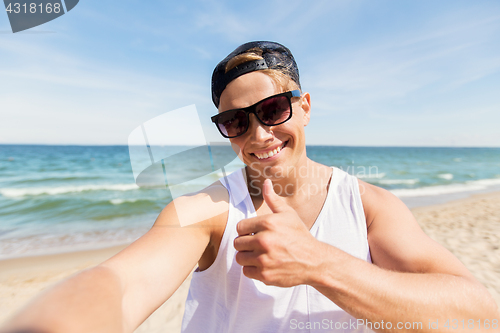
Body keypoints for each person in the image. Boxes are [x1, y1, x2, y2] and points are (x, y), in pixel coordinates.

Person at [2, 41, 498, 333]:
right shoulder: (207, 210)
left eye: (273, 110)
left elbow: (478, 315)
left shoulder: (368, 207)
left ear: (303, 105)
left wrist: (319, 263)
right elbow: (122, 283)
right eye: (236, 122)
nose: (259, 135)